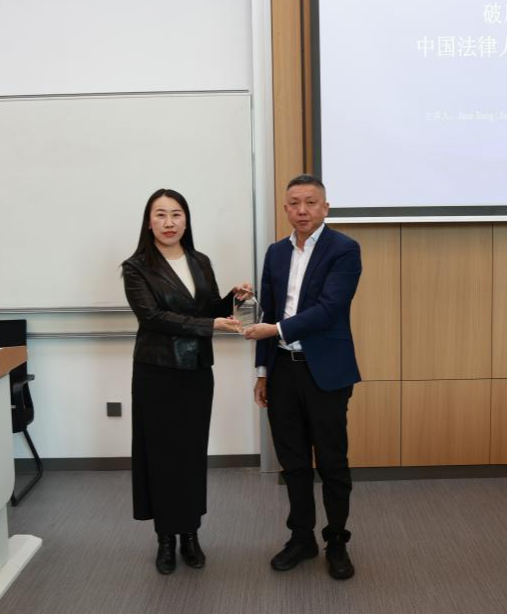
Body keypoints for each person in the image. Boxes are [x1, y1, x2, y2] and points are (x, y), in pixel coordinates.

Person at [122, 188, 251, 575]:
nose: (169, 222)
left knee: (192, 454)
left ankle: (191, 534)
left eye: (176, 214)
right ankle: (165, 538)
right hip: (157, 371)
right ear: (149, 222)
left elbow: (207, 309)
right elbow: (153, 318)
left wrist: (233, 300)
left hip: (196, 371)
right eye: (160, 214)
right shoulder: (136, 267)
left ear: (186, 220)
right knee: (161, 456)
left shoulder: (200, 261)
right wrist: (210, 325)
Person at [244, 174, 362, 580]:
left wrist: (276, 329)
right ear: (285, 209)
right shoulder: (276, 252)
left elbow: (330, 309)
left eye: (311, 202)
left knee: (332, 462)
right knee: (293, 463)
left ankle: (337, 541)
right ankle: (301, 538)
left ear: (325, 207)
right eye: (294, 203)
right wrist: (262, 371)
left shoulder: (344, 250)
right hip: (282, 372)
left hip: (325, 372)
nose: (302, 210)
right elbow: (267, 311)